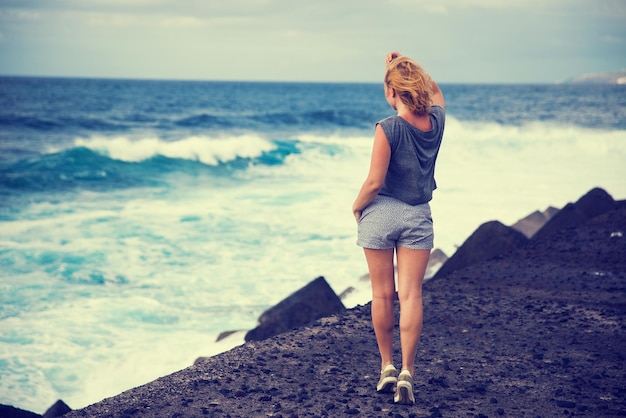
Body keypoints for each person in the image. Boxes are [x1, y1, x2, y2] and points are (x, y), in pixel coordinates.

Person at [352, 51, 445, 405]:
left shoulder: (387, 128)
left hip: (381, 215)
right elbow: (436, 92)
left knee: (382, 295)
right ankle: (407, 372)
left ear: (392, 91)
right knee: (411, 296)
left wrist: (357, 206)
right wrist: (406, 62)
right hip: (418, 216)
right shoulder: (436, 121)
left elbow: (374, 182)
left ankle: (387, 366)